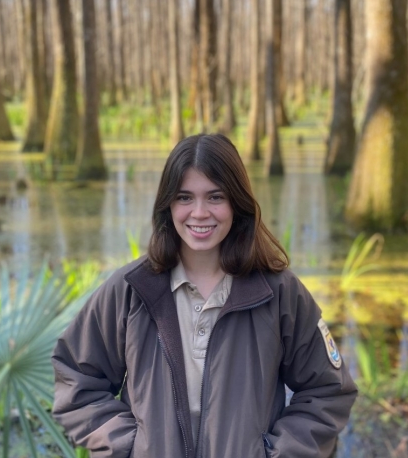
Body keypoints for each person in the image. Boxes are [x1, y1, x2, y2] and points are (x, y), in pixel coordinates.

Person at [51, 133, 357, 458]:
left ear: (237, 203)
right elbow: (76, 379)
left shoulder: (278, 292)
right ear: (167, 204)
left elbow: (328, 390)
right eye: (184, 197)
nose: (199, 213)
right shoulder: (131, 290)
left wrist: (276, 454)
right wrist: (129, 448)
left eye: (215, 197)